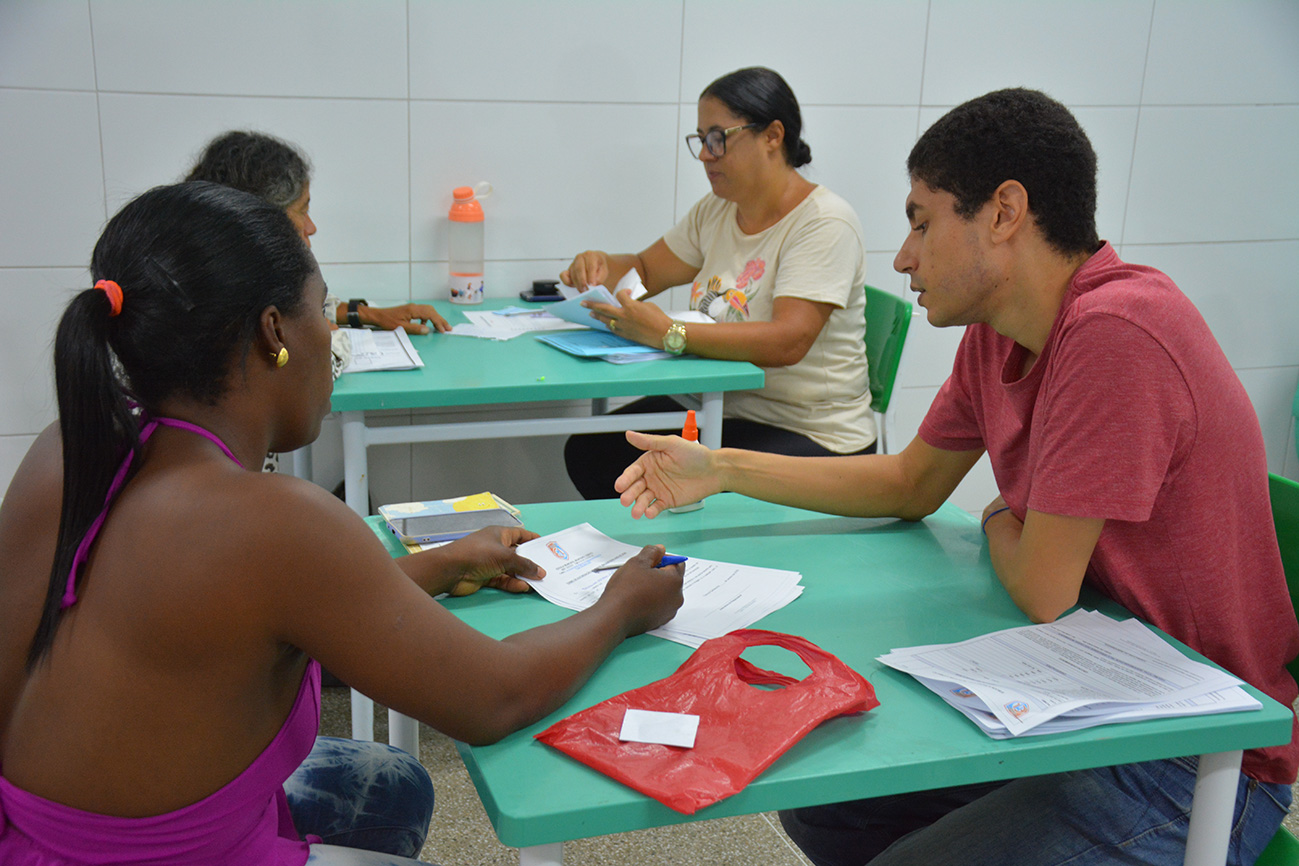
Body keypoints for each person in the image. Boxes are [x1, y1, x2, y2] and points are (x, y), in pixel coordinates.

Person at [612, 88, 1298, 865]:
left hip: (1192, 756)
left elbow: (1044, 589)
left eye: (920, 221)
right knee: (828, 806)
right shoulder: (996, 332)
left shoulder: (1116, 333)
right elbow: (911, 482)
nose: (903, 256)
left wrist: (1004, 517)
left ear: (1003, 212)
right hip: (1081, 701)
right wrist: (723, 468)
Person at [0, 182, 684, 865]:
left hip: (31, 842)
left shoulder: (70, 448)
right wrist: (621, 606)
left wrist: (439, 564)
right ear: (274, 332)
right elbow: (494, 697)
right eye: (321, 310)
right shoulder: (273, 520)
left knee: (392, 786)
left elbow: (246, 611)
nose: (332, 334)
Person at [560, 66, 873, 500]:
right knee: (593, 453)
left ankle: (680, 566)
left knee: (643, 472)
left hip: (808, 431)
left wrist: (669, 334)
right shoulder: (718, 210)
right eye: (701, 140)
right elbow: (646, 272)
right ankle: (657, 566)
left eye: (717, 138)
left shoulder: (823, 222)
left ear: (772, 136)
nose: (706, 154)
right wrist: (597, 266)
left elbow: (789, 341)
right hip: (717, 406)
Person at [186, 130, 451, 380]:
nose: (311, 228)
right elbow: (316, 368)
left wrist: (366, 314)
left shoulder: (207, 264)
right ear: (261, 220)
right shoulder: (232, 304)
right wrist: (328, 339)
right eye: (302, 210)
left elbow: (301, 308)